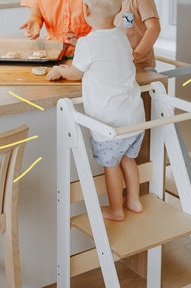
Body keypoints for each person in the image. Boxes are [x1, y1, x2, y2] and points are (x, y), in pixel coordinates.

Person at [47, 0, 145, 222]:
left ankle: (116, 209)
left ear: (86, 10)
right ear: (120, 10)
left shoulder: (88, 45)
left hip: (110, 124)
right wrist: (80, 42)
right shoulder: (120, 35)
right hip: (134, 119)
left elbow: (75, 73)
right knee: (128, 160)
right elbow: (104, 49)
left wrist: (58, 70)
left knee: (111, 166)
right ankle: (134, 200)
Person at [20, 0, 92, 49]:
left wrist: (83, 42)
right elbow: (36, 14)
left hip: (90, 46)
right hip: (54, 48)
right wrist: (35, 20)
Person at [114, 0, 161, 70]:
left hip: (137, 66)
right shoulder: (112, 3)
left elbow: (154, 28)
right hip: (117, 64)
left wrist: (136, 55)